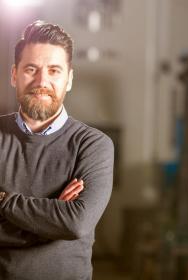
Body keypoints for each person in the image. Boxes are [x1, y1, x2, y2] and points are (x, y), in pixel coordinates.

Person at [0, 20, 114, 280]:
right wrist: (51, 218)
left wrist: (4, 201)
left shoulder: (93, 145)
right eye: (31, 69)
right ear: (14, 74)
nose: (42, 81)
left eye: (54, 70)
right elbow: (63, 224)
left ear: (69, 79)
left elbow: (76, 223)